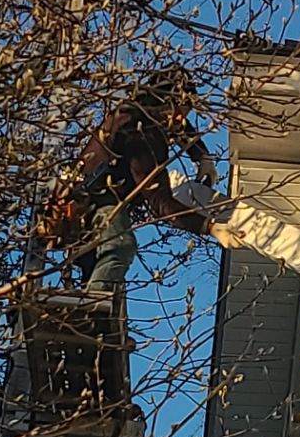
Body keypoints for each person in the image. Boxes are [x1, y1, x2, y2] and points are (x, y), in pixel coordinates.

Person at [72, 64, 218, 294]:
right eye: (178, 111)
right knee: (120, 247)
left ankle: (89, 302)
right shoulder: (143, 135)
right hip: (97, 200)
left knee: (95, 263)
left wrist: (200, 154)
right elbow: (161, 203)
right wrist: (209, 227)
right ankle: (91, 306)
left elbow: (178, 123)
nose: (180, 120)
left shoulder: (134, 112)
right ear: (163, 103)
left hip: (85, 195)